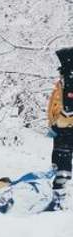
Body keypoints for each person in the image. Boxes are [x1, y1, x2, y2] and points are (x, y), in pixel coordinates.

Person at [47, 48, 73, 191]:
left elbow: (69, 107)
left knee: (62, 153)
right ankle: (59, 184)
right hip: (62, 126)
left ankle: (59, 189)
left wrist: (60, 121)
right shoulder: (65, 80)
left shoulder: (70, 80)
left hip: (66, 127)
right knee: (60, 154)